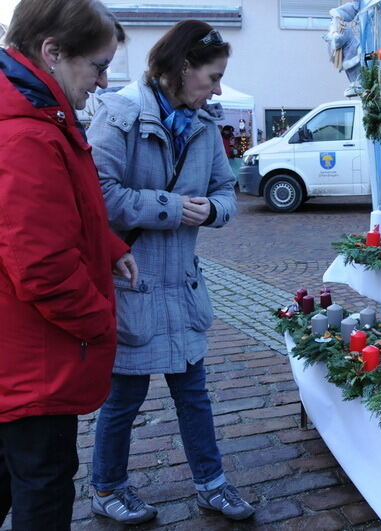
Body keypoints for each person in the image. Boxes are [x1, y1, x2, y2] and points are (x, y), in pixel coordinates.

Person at [87, 20, 253, 523]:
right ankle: (106, 487)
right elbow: (96, 194)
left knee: (194, 394)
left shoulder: (203, 125)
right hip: (131, 283)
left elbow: (228, 191)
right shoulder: (118, 115)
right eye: (213, 76)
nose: (218, 88)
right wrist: (171, 207)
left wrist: (213, 211)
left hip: (182, 285)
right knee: (124, 399)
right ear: (183, 68)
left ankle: (211, 483)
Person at [0, 1, 136, 529]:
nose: (102, 82)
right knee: (43, 485)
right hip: (34, 362)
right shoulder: (26, 132)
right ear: (52, 53)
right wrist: (99, 321)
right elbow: (42, 266)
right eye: (98, 66)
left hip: (23, 354)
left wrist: (109, 247)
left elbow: (62, 211)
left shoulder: (36, 116)